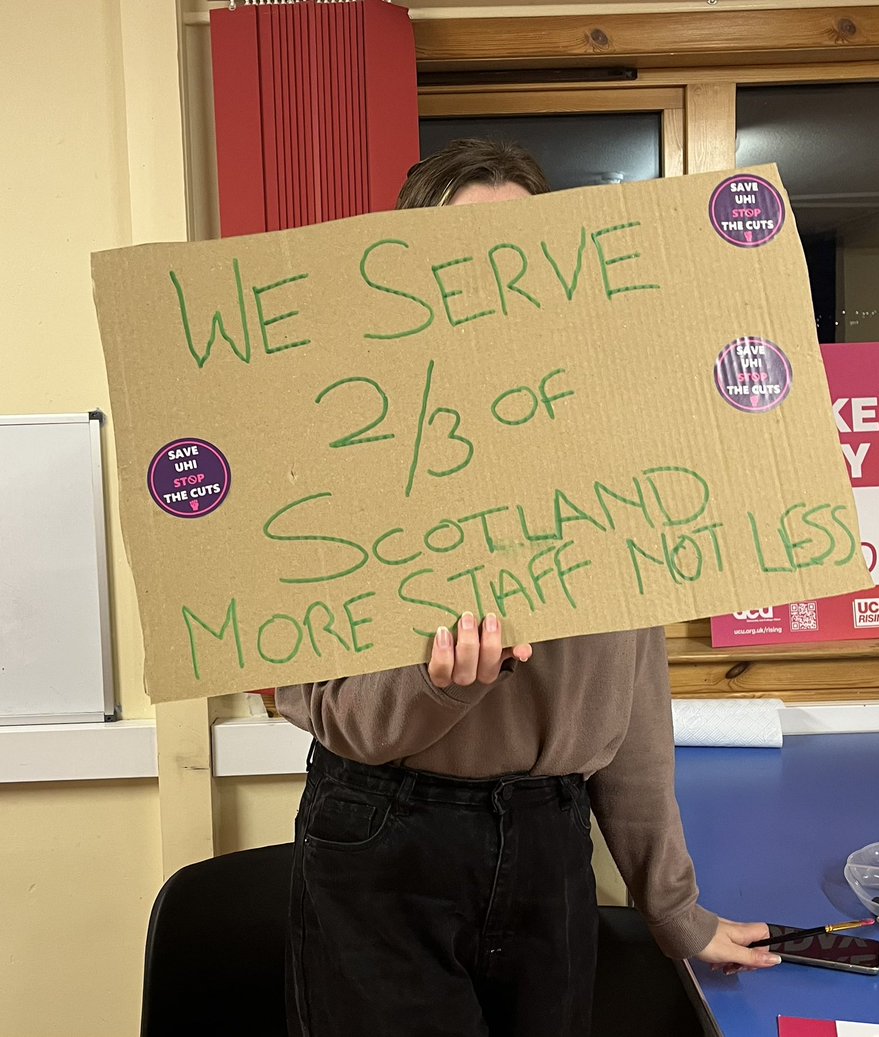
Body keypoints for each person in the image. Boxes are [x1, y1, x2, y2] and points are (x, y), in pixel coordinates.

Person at [275, 138, 779, 1037]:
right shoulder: (348, 448)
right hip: (383, 836)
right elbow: (329, 707)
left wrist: (675, 909)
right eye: (462, 264)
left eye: (518, 261)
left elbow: (632, 716)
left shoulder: (608, 459)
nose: (493, 288)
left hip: (551, 837)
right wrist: (434, 688)